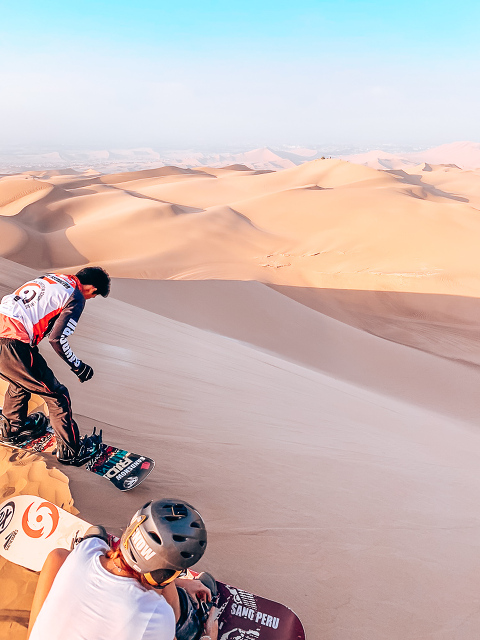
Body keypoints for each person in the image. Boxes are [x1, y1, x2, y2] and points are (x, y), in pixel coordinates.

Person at [27, 498, 219, 640]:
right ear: (164, 575)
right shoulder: (157, 613)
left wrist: (178, 580)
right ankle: (187, 622)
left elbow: (58, 556)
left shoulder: (87, 550)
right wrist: (208, 636)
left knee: (88, 539)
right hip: (155, 610)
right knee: (183, 622)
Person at [0, 267, 110, 465]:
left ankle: (12, 428)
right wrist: (78, 366)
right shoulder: (76, 296)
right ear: (92, 289)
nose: (90, 299)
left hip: (7, 334)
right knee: (58, 396)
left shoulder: (54, 278)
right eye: (94, 296)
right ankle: (71, 451)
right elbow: (56, 339)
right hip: (13, 344)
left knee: (22, 380)